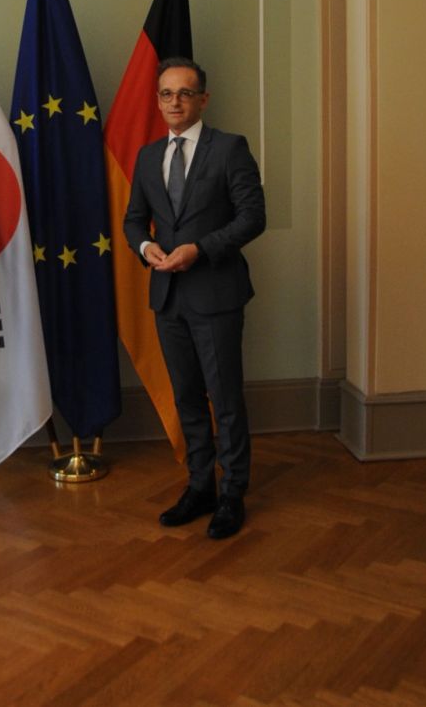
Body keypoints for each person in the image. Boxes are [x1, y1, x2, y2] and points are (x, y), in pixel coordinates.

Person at [124, 57, 265, 539]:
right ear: (158, 100)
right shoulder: (146, 157)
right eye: (166, 93)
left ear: (203, 99)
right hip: (168, 297)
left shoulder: (229, 149)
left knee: (224, 400)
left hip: (216, 293)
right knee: (187, 398)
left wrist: (198, 251)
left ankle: (233, 493)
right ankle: (200, 485)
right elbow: (131, 220)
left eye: (185, 93)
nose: (175, 102)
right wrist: (147, 247)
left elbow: (253, 217)